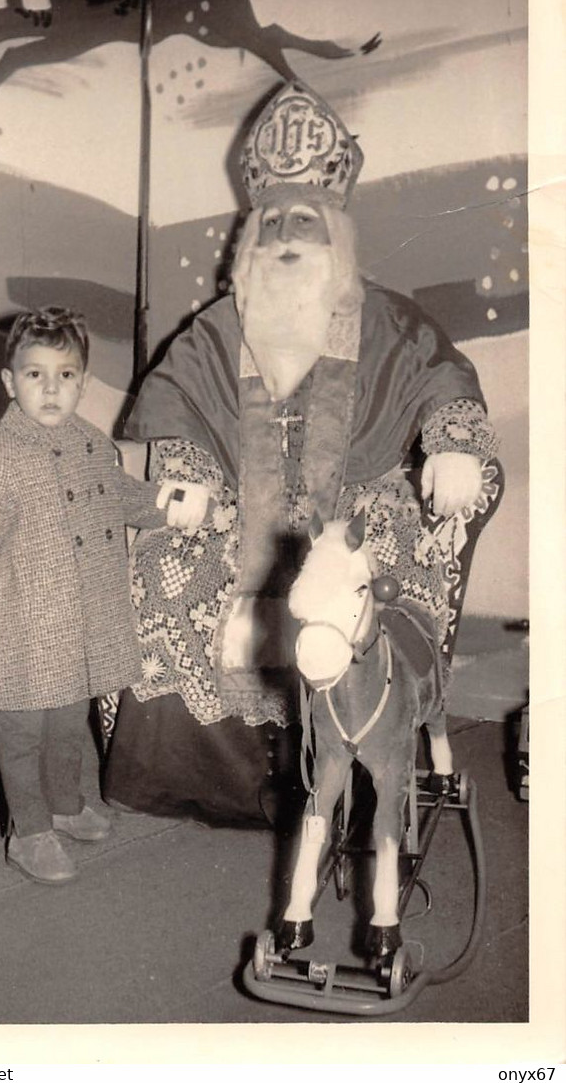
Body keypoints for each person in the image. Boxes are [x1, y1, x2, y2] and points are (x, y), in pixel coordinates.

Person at [102, 81, 498, 827]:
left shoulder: (391, 319)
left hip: (356, 512)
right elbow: (177, 411)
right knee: (162, 561)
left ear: (336, 230)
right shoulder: (218, 327)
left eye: (305, 221)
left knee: (367, 568)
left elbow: (446, 384)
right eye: (272, 220)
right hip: (243, 512)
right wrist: (185, 481)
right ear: (252, 237)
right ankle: (202, 782)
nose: (287, 235)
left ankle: (357, 776)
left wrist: (453, 446)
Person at [0, 306, 204, 884]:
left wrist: (162, 504)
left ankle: (64, 803)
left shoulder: (91, 443)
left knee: (69, 722)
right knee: (23, 734)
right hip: (17, 627)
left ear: (81, 379)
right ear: (9, 382)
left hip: (76, 625)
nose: (51, 389)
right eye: (35, 375)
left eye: (67, 375)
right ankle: (29, 833)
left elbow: (118, 495)